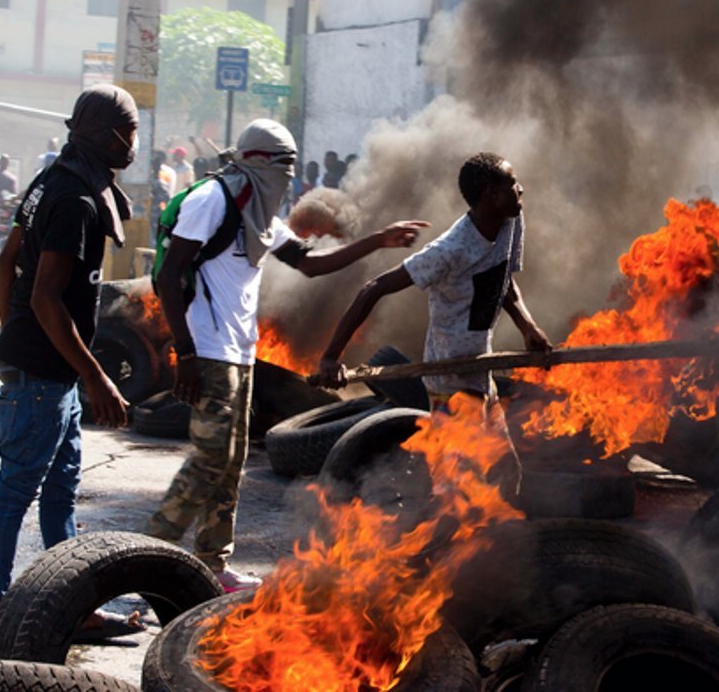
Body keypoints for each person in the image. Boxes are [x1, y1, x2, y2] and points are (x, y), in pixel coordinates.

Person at [144, 118, 427, 591]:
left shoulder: (256, 213)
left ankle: (213, 563)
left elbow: (310, 264)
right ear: (256, 161)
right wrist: (187, 355)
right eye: (283, 165)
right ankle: (148, 556)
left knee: (231, 464)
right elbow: (172, 275)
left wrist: (377, 241)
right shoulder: (210, 201)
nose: (287, 176)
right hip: (208, 353)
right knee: (210, 460)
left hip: (240, 354)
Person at [0, 84, 138, 655]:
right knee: (14, 494)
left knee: (61, 493)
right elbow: (44, 297)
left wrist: (11, 337)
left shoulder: (52, 180)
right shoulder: (74, 199)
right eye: (132, 132)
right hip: (43, 380)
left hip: (47, 374)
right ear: (110, 136)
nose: (136, 144)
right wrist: (96, 375)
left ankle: (73, 606)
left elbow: (5, 264)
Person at [318, 152, 551, 412]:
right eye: (512, 183)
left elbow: (502, 278)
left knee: (501, 454)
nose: (521, 189)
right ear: (491, 195)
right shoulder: (449, 250)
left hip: (480, 371)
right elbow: (374, 288)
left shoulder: (511, 220)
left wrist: (528, 327)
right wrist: (330, 357)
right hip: (450, 383)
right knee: (467, 453)